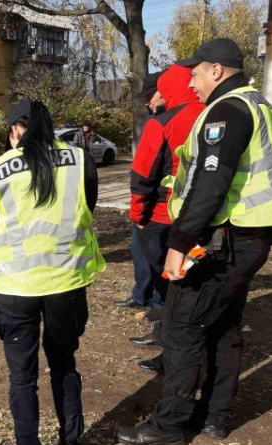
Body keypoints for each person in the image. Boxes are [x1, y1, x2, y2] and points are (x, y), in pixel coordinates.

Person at [118, 38, 272, 445]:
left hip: (223, 241)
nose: (191, 80)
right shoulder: (261, 106)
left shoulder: (227, 110)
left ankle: (169, 425)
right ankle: (215, 416)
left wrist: (180, 241)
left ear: (217, 71)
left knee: (181, 329)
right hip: (249, 239)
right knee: (224, 328)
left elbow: (210, 183)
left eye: (196, 71)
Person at [0, 100, 104, 445]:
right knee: (65, 364)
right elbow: (89, 205)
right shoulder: (80, 159)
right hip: (65, 282)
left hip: (15, 285)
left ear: (17, 129)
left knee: (22, 376)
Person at [127, 65, 205, 374]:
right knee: (191, 282)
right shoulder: (214, 113)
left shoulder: (164, 122)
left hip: (162, 217)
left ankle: (170, 342)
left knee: (171, 283)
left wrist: (138, 217)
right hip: (201, 219)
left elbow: (142, 175)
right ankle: (175, 333)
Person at [115, 71, 166, 311]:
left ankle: (160, 303)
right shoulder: (151, 116)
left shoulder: (171, 118)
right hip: (145, 196)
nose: (148, 101)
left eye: (151, 95)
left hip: (163, 200)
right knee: (139, 247)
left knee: (158, 253)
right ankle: (141, 294)